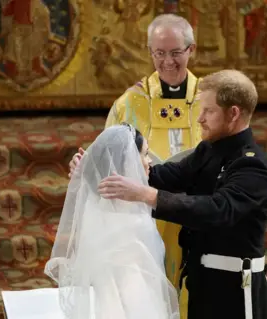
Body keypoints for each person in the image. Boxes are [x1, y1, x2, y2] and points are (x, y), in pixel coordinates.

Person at [98, 70, 267, 319]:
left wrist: (147, 196)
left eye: (209, 111)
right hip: (201, 283)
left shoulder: (251, 165)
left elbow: (218, 210)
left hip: (234, 290)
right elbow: (162, 176)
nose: (200, 119)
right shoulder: (208, 151)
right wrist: (96, 169)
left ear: (233, 113)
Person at [69, 13, 202, 315]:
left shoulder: (210, 98)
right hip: (145, 218)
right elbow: (105, 160)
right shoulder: (129, 103)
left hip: (200, 213)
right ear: (150, 51)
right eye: (159, 53)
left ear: (191, 50)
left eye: (175, 52)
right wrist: (84, 168)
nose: (167, 61)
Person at [46, 123, 180, 319]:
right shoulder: (126, 218)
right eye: (144, 154)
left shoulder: (101, 203)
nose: (150, 161)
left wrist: (89, 168)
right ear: (128, 161)